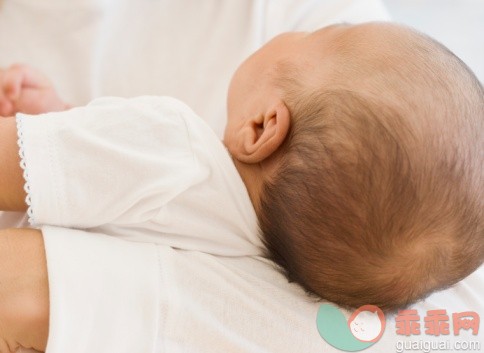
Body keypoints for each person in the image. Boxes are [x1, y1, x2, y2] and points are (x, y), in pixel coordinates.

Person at [0, 22, 483, 351]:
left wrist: (50, 137)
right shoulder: (255, 286)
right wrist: (63, 122)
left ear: (261, 128)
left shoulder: (171, 147)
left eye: (325, 33)